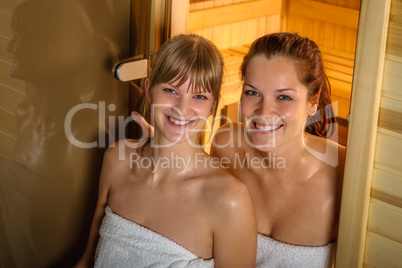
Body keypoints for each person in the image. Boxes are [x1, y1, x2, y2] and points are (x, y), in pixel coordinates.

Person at [75, 34, 257, 268]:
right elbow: (86, 261)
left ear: (213, 105)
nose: (182, 108)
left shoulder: (229, 200)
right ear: (149, 88)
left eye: (199, 96)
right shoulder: (117, 160)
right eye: (171, 90)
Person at [211, 32, 345, 267]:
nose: (263, 113)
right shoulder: (226, 146)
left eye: (283, 97)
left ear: (313, 103)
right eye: (252, 93)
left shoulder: (343, 172)